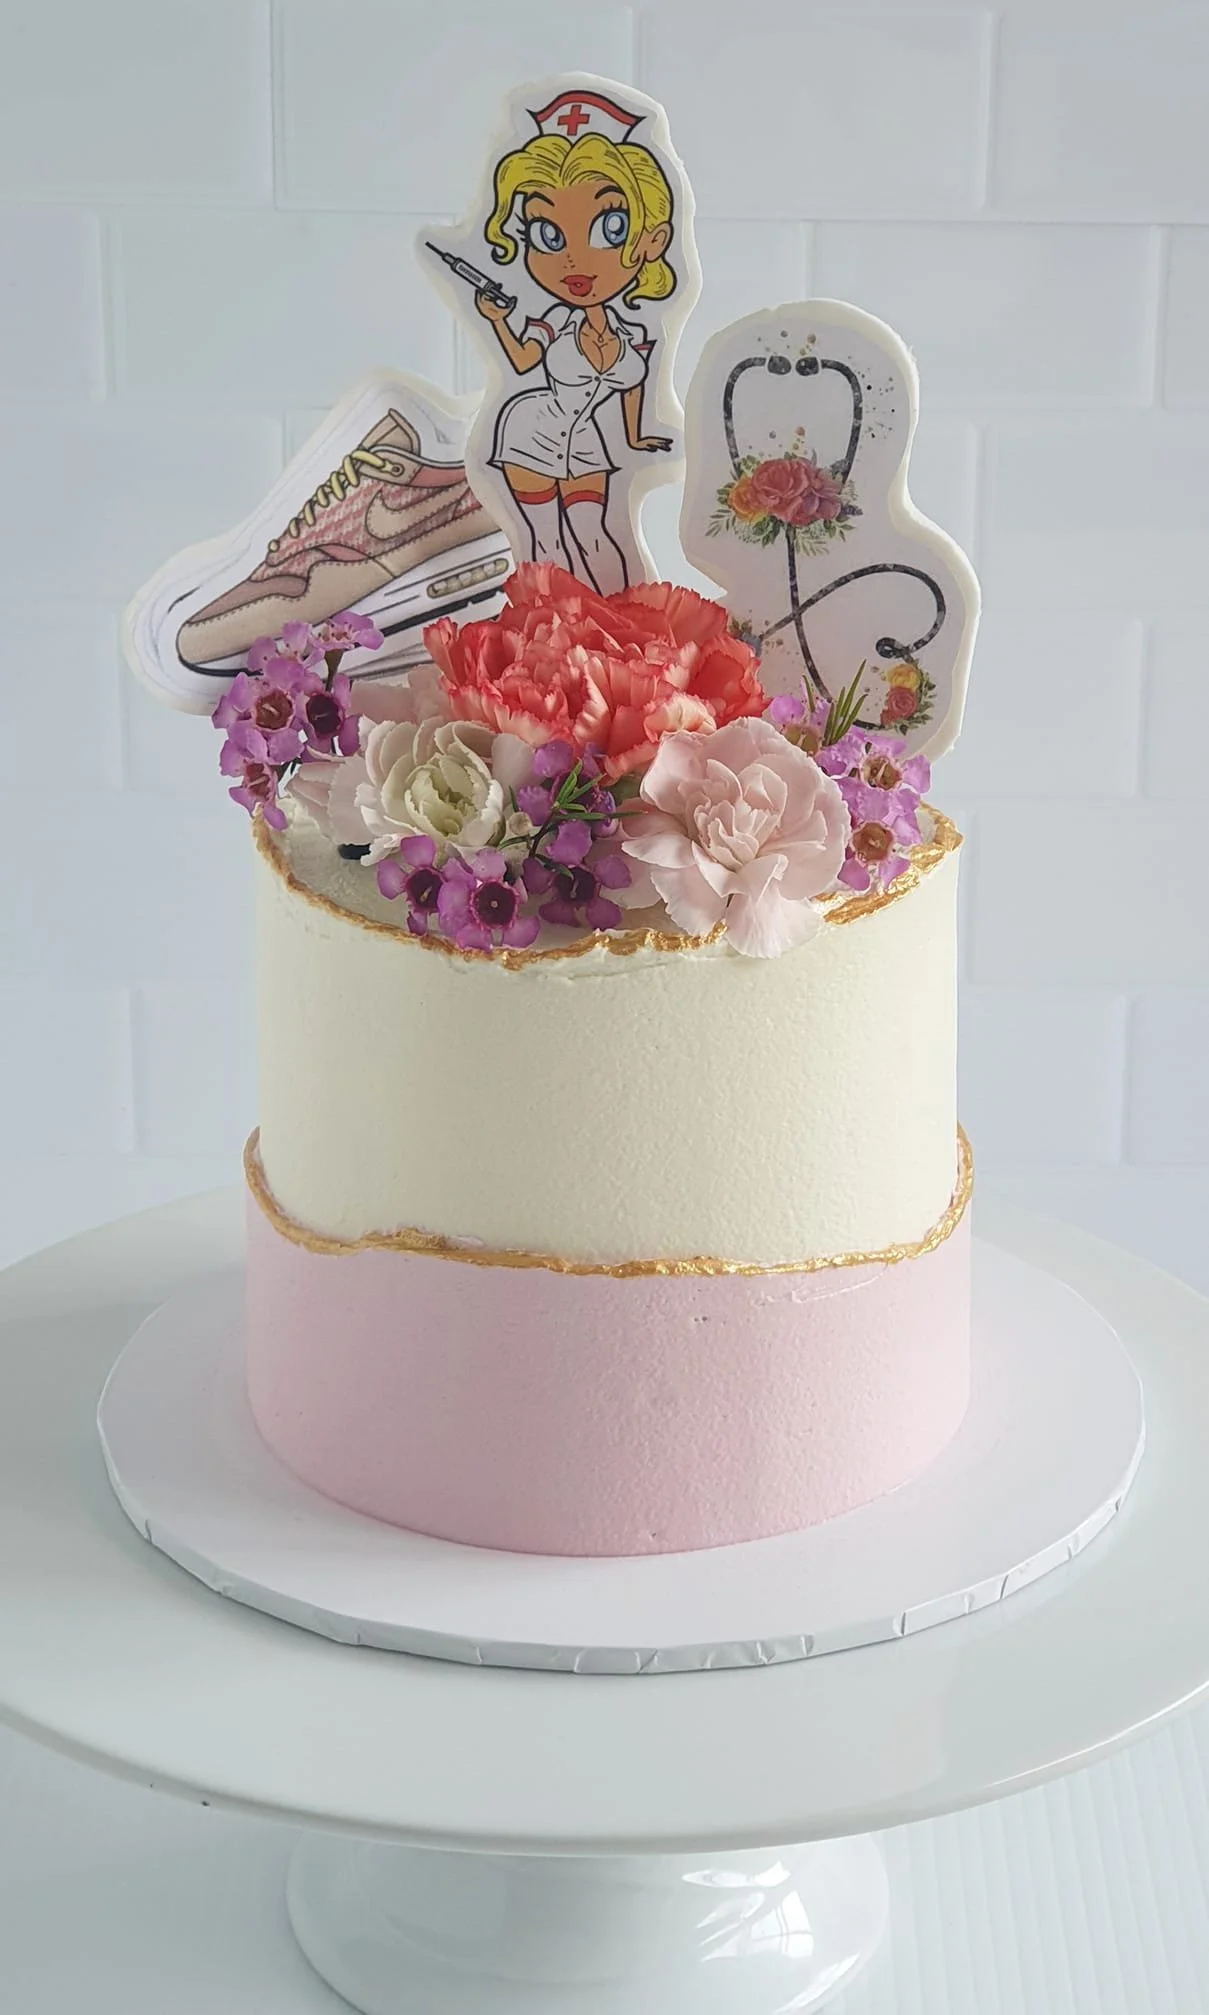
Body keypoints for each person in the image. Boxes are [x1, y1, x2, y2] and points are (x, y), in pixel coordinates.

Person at [472, 93, 680, 593]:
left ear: (651, 240)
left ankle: (614, 632)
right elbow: (523, 360)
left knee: (596, 539)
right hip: (530, 431)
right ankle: (545, 637)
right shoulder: (551, 322)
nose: (574, 259)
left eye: (610, 228)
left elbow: (632, 389)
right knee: (545, 546)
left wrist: (635, 438)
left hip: (588, 440)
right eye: (547, 235)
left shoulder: (637, 337)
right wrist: (498, 320)